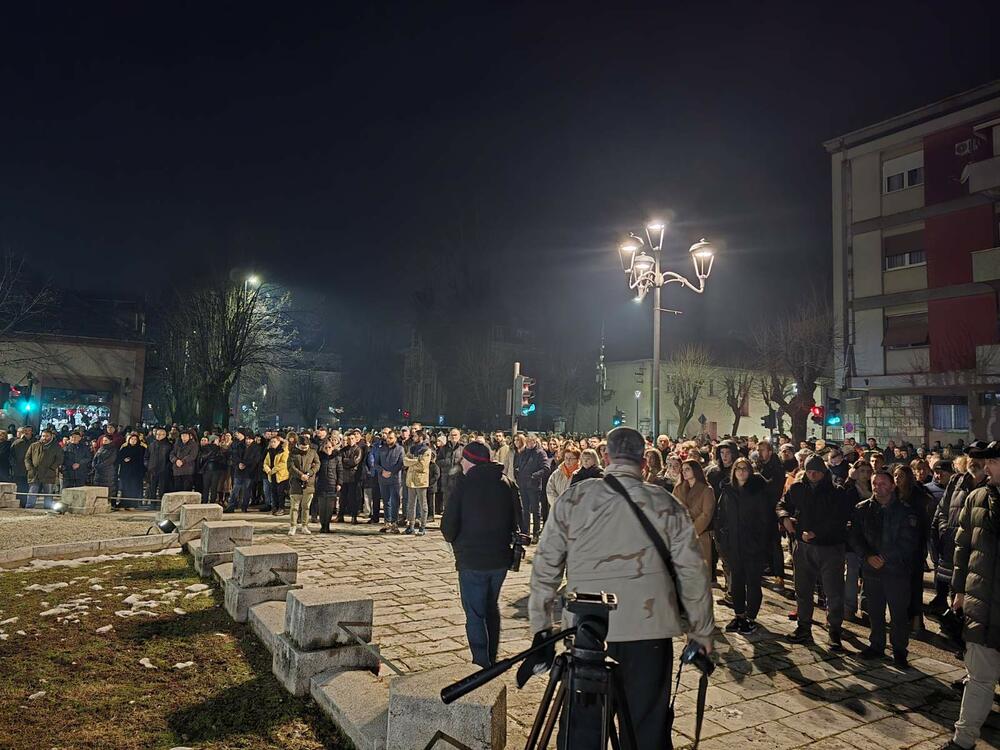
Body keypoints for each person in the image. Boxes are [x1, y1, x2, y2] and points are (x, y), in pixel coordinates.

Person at [527, 427, 714, 750]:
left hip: (590, 632)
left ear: (606, 457)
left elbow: (545, 569)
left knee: (583, 732)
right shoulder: (665, 504)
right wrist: (701, 633)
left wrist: (541, 630)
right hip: (649, 632)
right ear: (643, 462)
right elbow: (694, 573)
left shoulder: (576, 498)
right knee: (645, 731)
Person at [441, 440, 522, 667]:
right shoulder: (506, 483)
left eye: (464, 460)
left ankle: (481, 664)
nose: (462, 464)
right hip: (499, 560)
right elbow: (519, 519)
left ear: (471, 461)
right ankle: (491, 658)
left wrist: (457, 541)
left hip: (472, 559)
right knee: (491, 607)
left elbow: (448, 528)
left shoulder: (464, 486)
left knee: (476, 614)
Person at [947, 440, 1000, 750]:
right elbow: (962, 549)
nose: (986, 468)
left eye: (993, 462)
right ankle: (962, 740)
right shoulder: (976, 497)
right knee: (979, 678)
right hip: (980, 603)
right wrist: (958, 591)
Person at [777, 453, 852, 649]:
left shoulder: (836, 492)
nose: (812, 475)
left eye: (816, 472)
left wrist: (816, 533)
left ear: (823, 472)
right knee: (803, 589)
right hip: (803, 547)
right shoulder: (797, 488)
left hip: (830, 548)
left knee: (833, 591)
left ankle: (834, 629)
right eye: (809, 471)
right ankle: (804, 627)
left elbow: (840, 519)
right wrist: (785, 518)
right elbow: (782, 505)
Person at [850, 469, 923, 668]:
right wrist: (867, 556)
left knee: (899, 614)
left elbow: (909, 541)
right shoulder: (862, 508)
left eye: (883, 483)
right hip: (871, 570)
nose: (878, 487)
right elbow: (855, 536)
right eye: (875, 483)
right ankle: (876, 645)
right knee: (874, 611)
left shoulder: (905, 510)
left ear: (892, 486)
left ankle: (899, 650)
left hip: (897, 571)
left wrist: (885, 557)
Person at [715, 456, 771, 635]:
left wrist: (760, 541)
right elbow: (721, 515)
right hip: (733, 544)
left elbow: (764, 518)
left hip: (752, 545)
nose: (741, 471)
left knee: (753, 582)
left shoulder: (757, 490)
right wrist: (723, 539)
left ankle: (750, 617)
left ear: (750, 471)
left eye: (744, 468)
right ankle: (739, 614)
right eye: (738, 468)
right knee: (736, 581)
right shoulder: (728, 491)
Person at [755, 439, 787, 592]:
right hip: (761, 509)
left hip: (771, 509)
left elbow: (772, 487)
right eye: (758, 450)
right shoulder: (762, 465)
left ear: (770, 451)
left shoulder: (776, 468)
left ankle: (779, 575)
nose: (760, 453)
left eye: (762, 450)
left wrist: (757, 477)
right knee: (763, 541)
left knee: (774, 543)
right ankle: (767, 567)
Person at [844, 459, 873, 622]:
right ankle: (849, 607)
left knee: (868, 574)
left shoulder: (873, 487)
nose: (865, 475)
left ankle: (866, 607)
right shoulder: (850, 489)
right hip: (853, 536)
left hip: (870, 538)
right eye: (862, 471)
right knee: (852, 572)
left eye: (868, 471)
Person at [673, 459, 715, 570]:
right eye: (682, 470)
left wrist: (691, 531)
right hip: (681, 534)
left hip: (700, 534)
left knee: (700, 570)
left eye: (687, 469)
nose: (684, 472)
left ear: (695, 470)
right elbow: (673, 509)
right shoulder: (678, 488)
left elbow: (706, 514)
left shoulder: (706, 489)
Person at [513, 433, 550, 544]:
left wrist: (534, 476)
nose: (529, 444)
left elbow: (546, 468)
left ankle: (536, 533)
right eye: (527, 442)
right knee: (525, 510)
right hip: (523, 485)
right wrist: (518, 474)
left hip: (533, 486)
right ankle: (526, 533)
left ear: (535, 442)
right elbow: (517, 465)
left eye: (531, 442)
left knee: (535, 510)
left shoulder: (540, 453)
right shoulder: (523, 453)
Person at [287, 435, 320, 535]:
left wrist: (309, 473)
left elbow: (317, 464)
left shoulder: (313, 452)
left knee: (306, 507)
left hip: (309, 483)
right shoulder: (293, 452)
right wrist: (301, 475)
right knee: (294, 507)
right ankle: (293, 526)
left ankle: (304, 526)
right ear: (298, 445)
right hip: (296, 483)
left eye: (306, 447)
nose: (305, 449)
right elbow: (290, 467)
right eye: (302, 447)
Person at [25, 427, 63, 509]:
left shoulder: (56, 447)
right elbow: (27, 458)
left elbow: (59, 459)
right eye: (43, 436)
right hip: (35, 473)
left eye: (47, 436)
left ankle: (47, 507)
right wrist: (30, 468)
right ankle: (29, 507)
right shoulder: (34, 445)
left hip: (48, 473)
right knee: (32, 491)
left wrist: (52, 468)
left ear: (51, 437)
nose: (44, 438)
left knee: (48, 492)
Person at [402, 434, 432, 535]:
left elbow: (423, 466)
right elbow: (405, 461)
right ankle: (411, 525)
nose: (413, 437)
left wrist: (412, 464)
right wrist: (416, 461)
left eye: (415, 436)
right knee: (411, 505)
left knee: (423, 505)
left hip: (421, 481)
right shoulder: (412, 449)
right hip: (411, 480)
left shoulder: (426, 450)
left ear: (421, 438)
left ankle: (422, 527)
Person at [376, 430, 404, 533]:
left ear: (395, 439)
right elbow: (376, 463)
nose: (389, 439)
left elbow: (400, 463)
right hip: (383, 479)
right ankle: (387, 522)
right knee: (385, 501)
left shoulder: (400, 449)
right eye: (388, 437)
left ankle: (394, 523)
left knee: (395, 501)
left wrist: (391, 472)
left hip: (395, 479)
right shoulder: (381, 449)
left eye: (391, 438)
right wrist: (382, 471)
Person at [315, 438, 342, 533]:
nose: (328, 449)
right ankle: (323, 526)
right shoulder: (319, 457)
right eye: (326, 447)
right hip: (321, 485)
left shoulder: (336, 457)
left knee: (330, 508)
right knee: (322, 507)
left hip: (332, 484)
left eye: (330, 447)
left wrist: (339, 483)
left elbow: (340, 471)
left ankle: (327, 525)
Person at [262, 435, 290, 516]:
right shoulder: (269, 451)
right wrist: (267, 470)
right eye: (271, 442)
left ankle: (281, 508)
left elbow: (283, 463)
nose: (272, 443)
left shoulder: (284, 451)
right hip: (272, 476)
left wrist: (272, 470)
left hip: (281, 476)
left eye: (274, 442)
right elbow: (265, 462)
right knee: (273, 493)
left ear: (279, 442)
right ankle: (274, 508)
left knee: (281, 493)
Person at [438, 428, 464, 513]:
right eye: (452, 435)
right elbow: (438, 461)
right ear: (449, 436)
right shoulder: (444, 448)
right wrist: (447, 462)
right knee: (447, 500)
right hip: (446, 478)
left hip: (458, 478)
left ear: (459, 436)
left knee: (458, 500)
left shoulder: (463, 448)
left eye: (455, 435)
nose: (453, 437)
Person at [117, 433, 146, 503]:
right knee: (125, 488)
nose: (133, 441)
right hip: (126, 472)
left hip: (136, 473)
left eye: (135, 439)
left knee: (135, 488)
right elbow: (119, 459)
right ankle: (124, 503)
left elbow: (143, 460)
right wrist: (124, 460)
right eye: (132, 439)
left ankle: (133, 504)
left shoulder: (141, 449)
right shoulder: (124, 448)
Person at [91, 438, 119, 506]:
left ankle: (111, 503)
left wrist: (100, 465)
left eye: (106, 440)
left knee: (109, 488)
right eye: (103, 440)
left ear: (110, 441)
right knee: (98, 486)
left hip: (108, 471)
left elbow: (110, 460)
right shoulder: (101, 448)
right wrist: (94, 465)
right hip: (98, 472)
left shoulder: (113, 449)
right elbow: (95, 458)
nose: (104, 442)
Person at [11, 425, 34, 502]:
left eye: (29, 430)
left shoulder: (35, 443)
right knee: (20, 486)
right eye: (25, 430)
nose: (27, 432)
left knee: (30, 487)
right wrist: (14, 465)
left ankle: (27, 503)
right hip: (19, 469)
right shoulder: (17, 443)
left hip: (31, 469)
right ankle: (20, 502)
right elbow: (11, 456)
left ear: (32, 431)